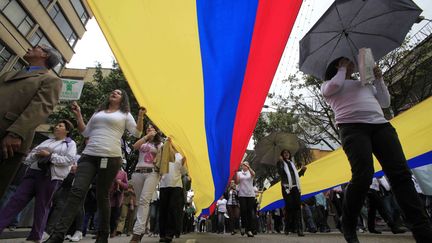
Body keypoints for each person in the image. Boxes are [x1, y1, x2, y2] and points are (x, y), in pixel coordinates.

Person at [321, 57, 432, 243]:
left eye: (349, 62)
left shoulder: (363, 83)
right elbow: (334, 87)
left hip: (381, 126)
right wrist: (341, 69)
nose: (351, 64)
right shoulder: (328, 85)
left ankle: (422, 230)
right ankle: (348, 221)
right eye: (344, 61)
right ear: (335, 66)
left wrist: (379, 80)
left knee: (401, 174)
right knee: (363, 176)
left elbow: (385, 102)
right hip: (352, 128)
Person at [46, 89, 145, 243]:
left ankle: (103, 235)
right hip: (88, 156)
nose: (113, 93)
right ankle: (57, 235)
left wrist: (140, 116)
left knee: (102, 194)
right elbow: (85, 132)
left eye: (118, 93)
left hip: (110, 157)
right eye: (112, 92)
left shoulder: (125, 114)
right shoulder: (98, 112)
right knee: (77, 191)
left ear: (122, 99)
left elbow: (137, 133)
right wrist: (78, 114)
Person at [0, 44, 62, 199]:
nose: (29, 48)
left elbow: (39, 108)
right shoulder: (9, 74)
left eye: (36, 47)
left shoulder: (51, 80)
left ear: (45, 55)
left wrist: (16, 133)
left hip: (8, 139)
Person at [0, 120, 76, 242]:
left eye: (60, 126)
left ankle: (36, 236)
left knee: (42, 206)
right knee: (15, 201)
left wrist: (49, 156)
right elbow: (30, 156)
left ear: (67, 130)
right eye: (56, 125)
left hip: (50, 177)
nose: (56, 127)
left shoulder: (70, 144)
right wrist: (36, 155)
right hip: (33, 173)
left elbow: (69, 160)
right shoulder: (47, 141)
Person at [129, 123, 162, 243]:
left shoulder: (160, 144)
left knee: (144, 200)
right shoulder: (143, 142)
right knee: (140, 202)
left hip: (152, 173)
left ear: (156, 131)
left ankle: (137, 233)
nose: (149, 129)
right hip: (138, 172)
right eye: (148, 128)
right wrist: (147, 136)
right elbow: (134, 146)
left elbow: (163, 159)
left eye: (152, 127)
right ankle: (143, 227)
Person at [158, 139, 187, 243]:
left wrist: (184, 163)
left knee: (172, 209)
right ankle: (162, 234)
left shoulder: (181, 155)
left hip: (176, 185)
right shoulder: (163, 152)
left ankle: (169, 234)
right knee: (163, 210)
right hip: (163, 185)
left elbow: (184, 172)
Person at [276, 149, 306, 237]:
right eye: (284, 153)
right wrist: (281, 162)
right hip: (286, 188)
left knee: (297, 207)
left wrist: (302, 171)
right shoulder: (280, 163)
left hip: (295, 187)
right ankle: (287, 228)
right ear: (282, 155)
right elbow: (281, 173)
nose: (286, 154)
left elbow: (296, 176)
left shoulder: (292, 164)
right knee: (289, 207)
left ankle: (300, 229)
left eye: (288, 152)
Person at [235, 161, 256, 237]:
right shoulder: (239, 173)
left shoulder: (250, 172)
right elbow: (237, 182)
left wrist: (249, 167)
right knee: (243, 210)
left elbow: (254, 174)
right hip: (242, 194)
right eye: (243, 164)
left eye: (246, 164)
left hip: (250, 194)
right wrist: (235, 173)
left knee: (249, 211)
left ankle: (249, 230)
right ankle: (243, 226)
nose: (244, 166)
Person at [109, 168, 128, 237]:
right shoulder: (107, 170)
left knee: (114, 216)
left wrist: (120, 183)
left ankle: (113, 231)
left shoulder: (123, 173)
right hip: (107, 196)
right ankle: (100, 232)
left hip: (117, 198)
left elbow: (126, 186)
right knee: (103, 215)